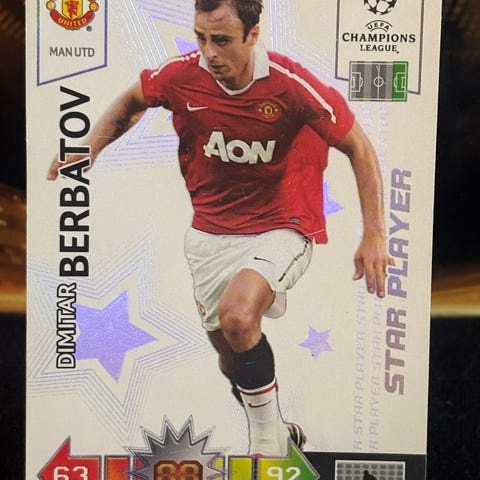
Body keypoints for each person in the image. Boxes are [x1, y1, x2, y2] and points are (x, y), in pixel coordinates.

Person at [48, 0, 393, 457]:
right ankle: (279, 430)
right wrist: (92, 146)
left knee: (237, 315)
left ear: (253, 35)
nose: (209, 53)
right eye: (201, 38)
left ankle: (266, 448)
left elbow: (359, 148)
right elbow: (132, 102)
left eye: (222, 40)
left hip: (282, 224)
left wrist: (374, 233)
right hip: (210, 235)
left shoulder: (291, 86)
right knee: (232, 356)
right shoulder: (181, 76)